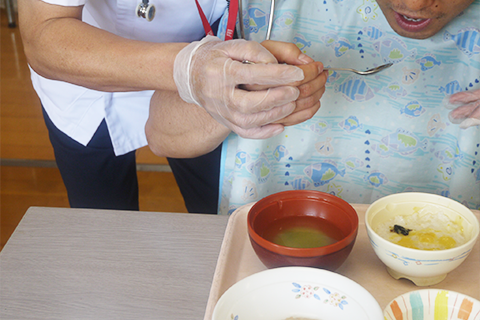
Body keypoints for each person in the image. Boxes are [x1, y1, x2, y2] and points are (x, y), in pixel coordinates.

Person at [146, 0, 480, 213]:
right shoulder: (270, 9)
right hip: (276, 253)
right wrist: (236, 91)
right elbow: (161, 134)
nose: (413, 4)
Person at [18, 0, 325, 212]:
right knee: (103, 228)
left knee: (211, 218)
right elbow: (44, 33)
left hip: (210, 54)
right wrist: (187, 69)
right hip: (88, 77)